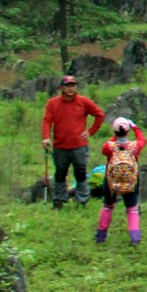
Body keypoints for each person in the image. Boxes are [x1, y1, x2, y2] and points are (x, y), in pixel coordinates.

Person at [41, 74, 105, 208]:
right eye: (67, 86)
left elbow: (99, 115)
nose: (70, 89)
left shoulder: (83, 101)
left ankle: (81, 200)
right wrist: (46, 137)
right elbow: (47, 121)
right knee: (60, 173)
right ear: (62, 88)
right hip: (60, 145)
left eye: (73, 85)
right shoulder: (52, 103)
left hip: (79, 145)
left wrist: (90, 131)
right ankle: (59, 199)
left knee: (80, 172)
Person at [96, 117, 146, 245]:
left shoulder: (109, 147)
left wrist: (115, 136)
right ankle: (135, 238)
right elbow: (142, 140)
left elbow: (106, 148)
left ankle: (101, 237)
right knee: (132, 209)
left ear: (114, 131)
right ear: (128, 131)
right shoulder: (135, 146)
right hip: (130, 181)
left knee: (107, 206)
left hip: (111, 181)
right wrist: (134, 126)